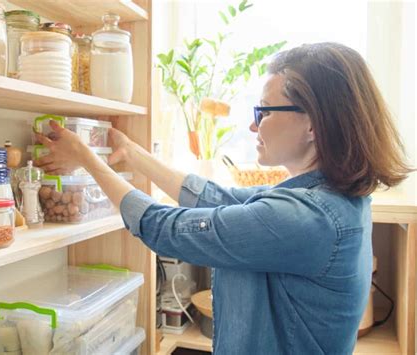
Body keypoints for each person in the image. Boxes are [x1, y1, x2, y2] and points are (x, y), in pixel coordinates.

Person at [35, 42, 412, 354]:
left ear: (313, 123)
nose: (252, 125)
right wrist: (132, 155)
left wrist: (87, 158)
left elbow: (165, 228)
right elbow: (220, 198)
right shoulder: (319, 197)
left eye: (262, 111)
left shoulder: (307, 217)